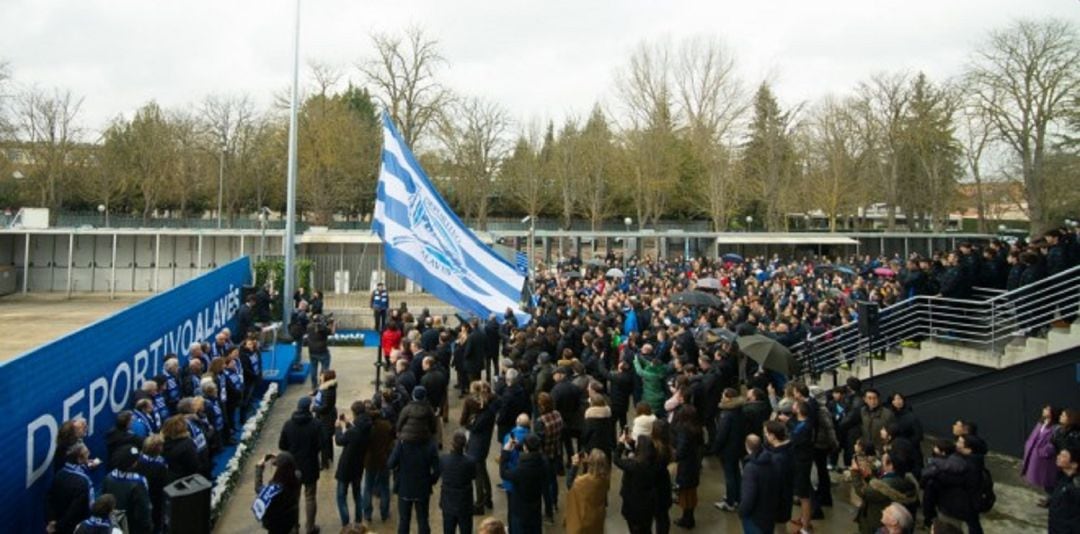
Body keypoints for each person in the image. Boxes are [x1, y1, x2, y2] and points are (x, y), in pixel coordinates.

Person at [279, 396, 322, 534]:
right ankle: (310, 527)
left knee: (293, 499)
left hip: (293, 466)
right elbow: (321, 445)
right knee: (310, 497)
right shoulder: (316, 424)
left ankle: (293, 528)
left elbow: (282, 445)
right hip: (310, 464)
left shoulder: (288, 424)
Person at [851, 452, 919, 534]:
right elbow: (881, 487)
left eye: (882, 461)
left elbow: (864, 492)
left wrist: (855, 473)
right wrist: (869, 478)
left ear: (891, 465)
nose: (880, 464)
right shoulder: (907, 482)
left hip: (876, 525)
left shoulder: (884, 486)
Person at [388, 434, 441, 534]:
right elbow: (437, 470)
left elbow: (390, 463)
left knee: (404, 521)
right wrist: (430, 481)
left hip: (405, 487)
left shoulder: (402, 443)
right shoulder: (430, 443)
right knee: (423, 520)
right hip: (422, 487)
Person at [498, 433, 546, 534]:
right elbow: (531, 452)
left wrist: (505, 452)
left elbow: (503, 473)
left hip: (520, 510)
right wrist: (517, 445)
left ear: (525, 448)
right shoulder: (543, 462)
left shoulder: (520, 470)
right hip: (535, 506)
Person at [461, 380, 497, 514]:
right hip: (481, 444)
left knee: (478, 475)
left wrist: (470, 421)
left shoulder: (485, 413)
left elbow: (473, 426)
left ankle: (479, 503)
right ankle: (488, 498)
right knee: (482, 471)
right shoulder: (487, 410)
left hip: (478, 445)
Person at [335, 400, 371, 527]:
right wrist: (348, 423)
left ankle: (346, 523)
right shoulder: (367, 426)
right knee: (357, 495)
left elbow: (339, 441)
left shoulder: (353, 432)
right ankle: (358, 521)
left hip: (346, 466)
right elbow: (356, 432)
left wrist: (338, 427)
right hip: (358, 465)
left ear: (355, 413)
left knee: (341, 496)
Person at [101, 445, 152, 534]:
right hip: (132, 527)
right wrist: (148, 527)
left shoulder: (108, 477)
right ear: (133, 464)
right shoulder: (139, 482)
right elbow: (143, 511)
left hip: (112, 525)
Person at [614, 432, 658, 534]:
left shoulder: (633, 465)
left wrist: (620, 443)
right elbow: (643, 453)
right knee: (647, 529)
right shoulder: (653, 462)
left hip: (633, 506)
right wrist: (632, 444)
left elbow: (616, 459)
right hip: (648, 504)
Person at [47, 443, 95, 534]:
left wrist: (52, 521)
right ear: (79, 459)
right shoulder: (84, 481)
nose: (89, 453)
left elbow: (49, 498)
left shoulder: (59, 474)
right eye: (86, 453)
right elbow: (76, 509)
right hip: (74, 526)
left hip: (59, 522)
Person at [736, 434, 779, 534]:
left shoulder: (750, 468)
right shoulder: (772, 461)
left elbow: (748, 496)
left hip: (754, 519)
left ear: (746, 446)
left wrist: (741, 512)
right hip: (769, 515)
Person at [713, 387, 747, 512]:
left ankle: (729, 502)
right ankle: (737, 497)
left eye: (723, 395)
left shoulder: (726, 415)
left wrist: (715, 448)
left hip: (727, 449)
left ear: (728, 398)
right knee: (736, 473)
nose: (722, 397)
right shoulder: (740, 410)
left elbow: (721, 435)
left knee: (729, 475)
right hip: (738, 447)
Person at [672, 404, 705, 529]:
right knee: (691, 493)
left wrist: (675, 457)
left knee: (685, 493)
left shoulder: (684, 430)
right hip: (694, 463)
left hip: (686, 466)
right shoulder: (697, 428)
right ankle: (689, 517)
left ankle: (687, 519)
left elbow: (681, 450)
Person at [533, 392, 564, 522]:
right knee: (553, 480)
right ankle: (554, 502)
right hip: (555, 451)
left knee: (545, 484)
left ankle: (548, 512)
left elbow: (538, 440)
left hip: (544, 454)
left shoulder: (541, 421)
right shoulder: (557, 414)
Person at [254, 452, 302, 534]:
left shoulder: (275, 488)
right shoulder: (297, 477)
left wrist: (259, 468)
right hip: (290, 520)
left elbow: (258, 488)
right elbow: (292, 466)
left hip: (276, 525)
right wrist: (283, 458)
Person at [362, 401, 394, 524]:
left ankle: (367, 513)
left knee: (368, 487)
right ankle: (384, 513)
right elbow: (392, 440)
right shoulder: (386, 425)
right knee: (385, 487)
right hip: (384, 460)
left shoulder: (367, 428)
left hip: (370, 461)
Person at [564, 449, 610, 534]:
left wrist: (574, 465)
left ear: (590, 463)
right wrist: (586, 464)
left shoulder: (582, 482)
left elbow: (570, 484)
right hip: (597, 518)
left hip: (583, 519)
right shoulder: (605, 479)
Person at [439, 430, 476, 534]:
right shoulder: (470, 461)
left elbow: (441, 474)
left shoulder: (444, 459)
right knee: (466, 530)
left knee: (448, 530)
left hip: (448, 501)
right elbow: (473, 476)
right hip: (465, 502)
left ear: (452, 444)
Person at [1022, 405, 1060, 501]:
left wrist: (1042, 451)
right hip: (1037, 457)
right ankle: (1050, 499)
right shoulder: (1042, 422)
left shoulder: (1056, 428)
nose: (1043, 410)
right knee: (1045, 482)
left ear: (1052, 413)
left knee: (1049, 481)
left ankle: (1053, 501)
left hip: (1046, 459)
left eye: (1047, 409)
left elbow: (1054, 444)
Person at [135, 435, 168, 534]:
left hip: (141, 498)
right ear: (157, 449)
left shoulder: (137, 460)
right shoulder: (160, 466)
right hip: (156, 499)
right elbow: (164, 484)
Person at [1048, 447, 1080, 533]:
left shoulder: (1076, 488)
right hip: (1054, 526)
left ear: (1074, 464)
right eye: (1060, 454)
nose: (1058, 457)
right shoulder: (1061, 476)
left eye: (1064, 456)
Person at [161, 415, 199, 482]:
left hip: (171, 481)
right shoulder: (187, 444)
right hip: (188, 481)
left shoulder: (162, 443)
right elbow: (194, 466)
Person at [579, 394, 616, 464]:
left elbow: (585, 434)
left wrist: (583, 444)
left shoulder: (589, 418)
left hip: (592, 448)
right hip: (606, 447)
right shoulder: (608, 415)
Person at [315, 370, 339, 470]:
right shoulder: (327, 388)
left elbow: (325, 407)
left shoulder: (327, 391)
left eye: (322, 376)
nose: (320, 377)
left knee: (324, 440)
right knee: (328, 439)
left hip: (326, 419)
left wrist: (314, 408)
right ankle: (329, 457)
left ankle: (324, 463)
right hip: (327, 417)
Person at [307, 314, 334, 390]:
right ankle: (322, 383)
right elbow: (332, 332)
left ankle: (314, 385)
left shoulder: (309, 326)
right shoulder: (323, 328)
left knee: (313, 368)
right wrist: (333, 324)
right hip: (322, 352)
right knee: (325, 369)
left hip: (312, 351)